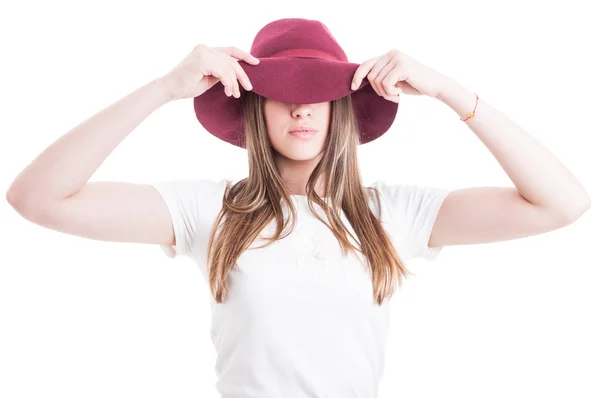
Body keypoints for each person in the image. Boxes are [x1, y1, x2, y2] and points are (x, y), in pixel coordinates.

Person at [5, 18, 590, 398]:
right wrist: (165, 87)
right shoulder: (209, 209)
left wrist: (447, 90)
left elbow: (562, 204)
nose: (301, 109)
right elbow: (37, 198)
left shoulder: (391, 214)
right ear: (255, 108)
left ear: (343, 108)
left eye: (318, 92)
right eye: (283, 91)